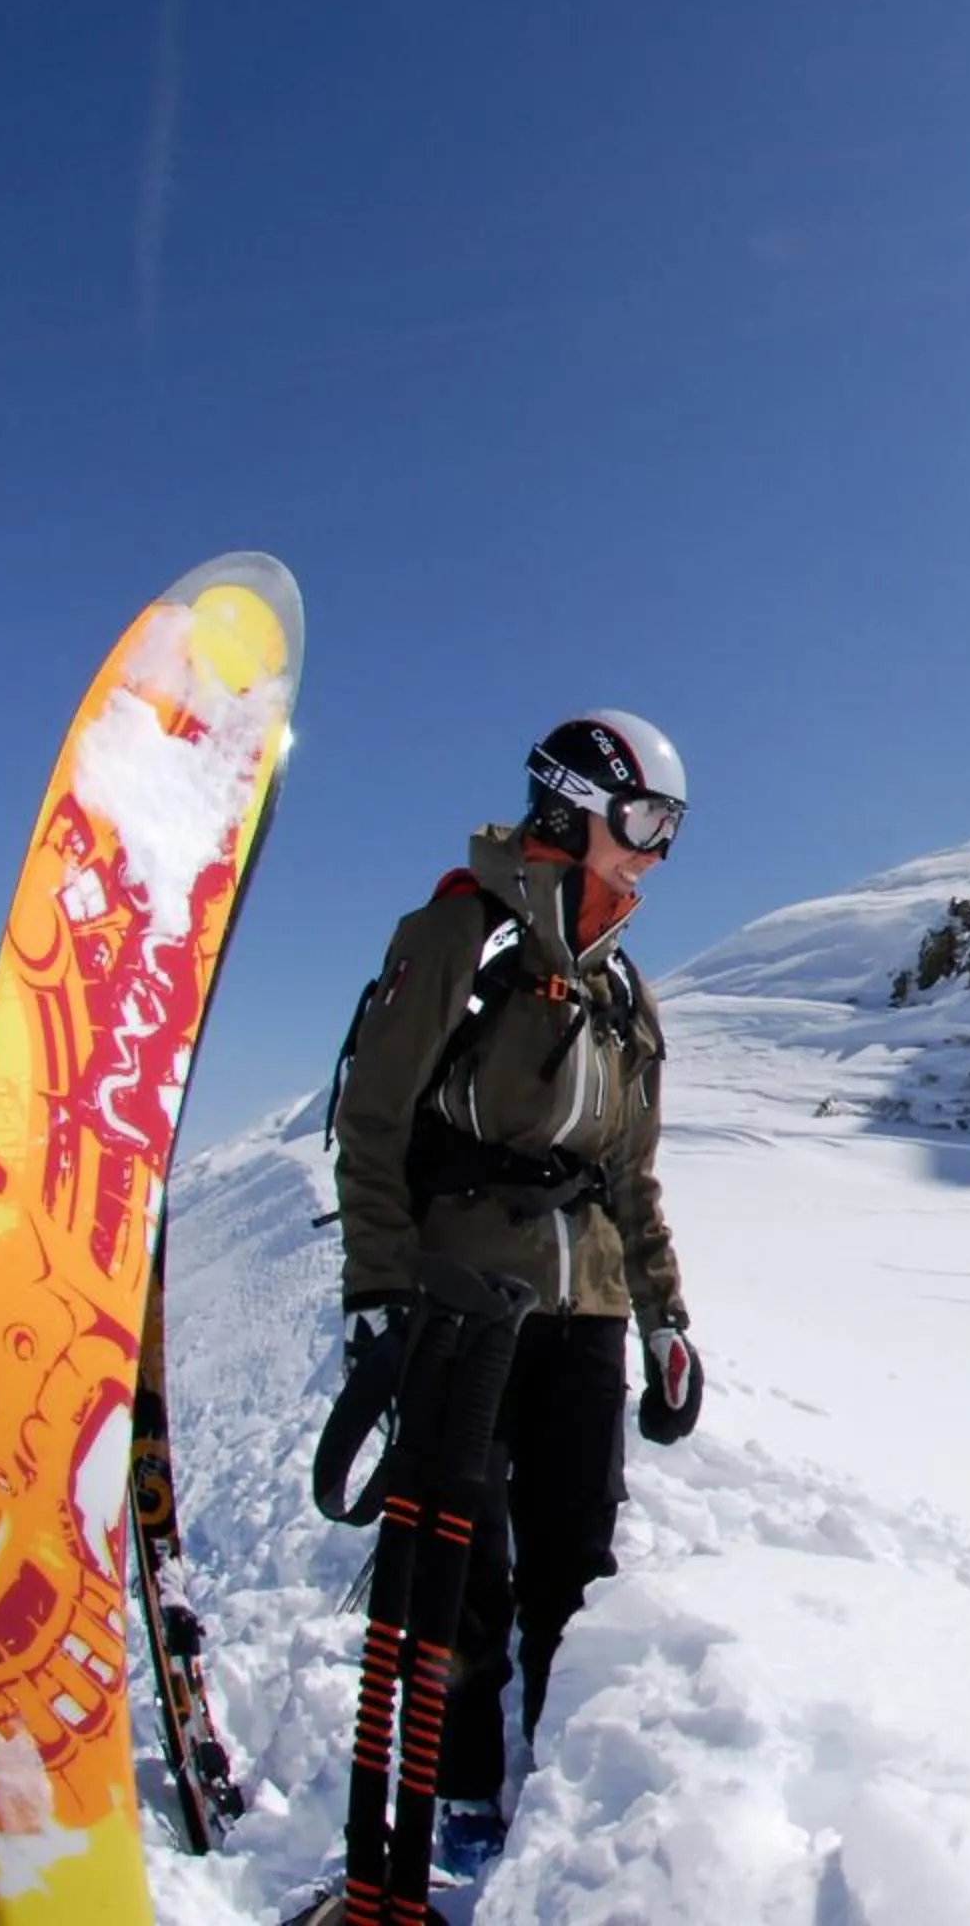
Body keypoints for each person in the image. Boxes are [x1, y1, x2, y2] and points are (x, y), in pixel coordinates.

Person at [330, 709, 706, 1874]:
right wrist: (384, 1291)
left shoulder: (626, 993)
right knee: (465, 1565)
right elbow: (372, 1119)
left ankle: (549, 1786)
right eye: (642, 820)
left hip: (584, 1309)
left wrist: (666, 1319)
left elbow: (631, 1177)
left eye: (669, 830)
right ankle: (462, 1790)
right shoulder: (460, 933)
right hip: (464, 1292)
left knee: (573, 1565)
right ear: (572, 801)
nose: (654, 851)